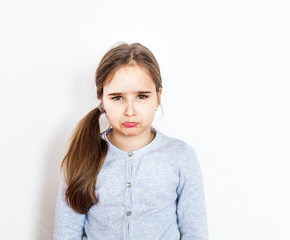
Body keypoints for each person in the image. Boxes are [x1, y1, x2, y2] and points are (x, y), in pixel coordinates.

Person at [54, 43, 208, 240]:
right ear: (102, 99)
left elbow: (195, 233)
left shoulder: (180, 156)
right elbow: (66, 234)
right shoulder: (83, 155)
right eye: (117, 97)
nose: (130, 110)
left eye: (142, 96)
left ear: (158, 96)